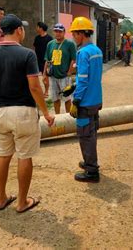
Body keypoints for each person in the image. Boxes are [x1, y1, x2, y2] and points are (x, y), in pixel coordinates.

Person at [0, 14, 55, 213]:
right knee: (24, 156)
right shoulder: (27, 55)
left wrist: (3, 78)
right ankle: (22, 202)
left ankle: (1, 198)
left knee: (2, 155)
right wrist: (46, 112)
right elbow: (35, 87)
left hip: (0, 112)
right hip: (24, 112)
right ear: (19, 30)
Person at [69, 17, 103, 183]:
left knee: (85, 136)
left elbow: (83, 80)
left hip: (85, 102)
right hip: (96, 99)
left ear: (81, 33)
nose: (73, 37)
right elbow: (91, 77)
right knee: (92, 133)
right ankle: (90, 162)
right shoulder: (97, 51)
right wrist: (74, 85)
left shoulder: (83, 53)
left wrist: (76, 100)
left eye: (74, 34)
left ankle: (91, 171)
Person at [43, 23, 76, 114]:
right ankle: (58, 117)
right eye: (56, 31)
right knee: (55, 99)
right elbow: (47, 60)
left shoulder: (69, 44)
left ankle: (68, 117)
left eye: (60, 31)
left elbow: (73, 59)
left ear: (64, 32)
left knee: (67, 99)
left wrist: (69, 72)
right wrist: (44, 74)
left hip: (64, 76)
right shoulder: (50, 44)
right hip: (53, 76)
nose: (58, 33)